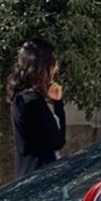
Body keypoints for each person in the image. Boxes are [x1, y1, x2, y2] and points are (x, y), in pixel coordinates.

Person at [9, 38, 66, 178]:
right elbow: (57, 141)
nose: (56, 69)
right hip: (39, 176)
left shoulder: (21, 98)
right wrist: (58, 105)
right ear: (42, 67)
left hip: (28, 174)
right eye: (53, 63)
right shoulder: (32, 102)